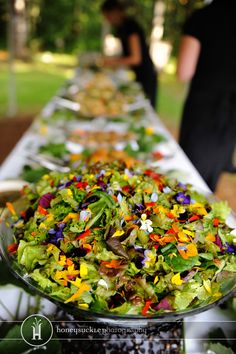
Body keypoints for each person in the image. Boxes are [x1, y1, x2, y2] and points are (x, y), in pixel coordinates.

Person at [177, 0, 236, 191]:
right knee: (210, 180)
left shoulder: (203, 17)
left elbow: (183, 71)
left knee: (188, 180)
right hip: (231, 114)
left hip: (203, 109)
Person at [101, 0, 157, 108]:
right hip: (138, 74)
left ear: (116, 12)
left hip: (146, 74)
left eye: (108, 16)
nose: (108, 20)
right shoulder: (122, 28)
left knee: (145, 107)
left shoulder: (131, 27)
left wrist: (112, 62)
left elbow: (135, 58)